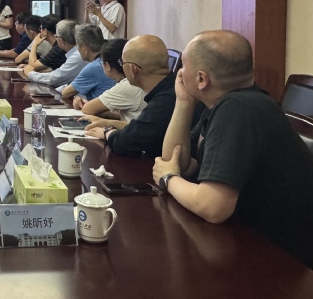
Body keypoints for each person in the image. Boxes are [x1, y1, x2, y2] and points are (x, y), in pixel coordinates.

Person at [153, 30, 313, 269]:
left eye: (183, 66)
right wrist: (184, 102)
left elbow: (214, 207)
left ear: (201, 79)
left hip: (283, 263)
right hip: (249, 243)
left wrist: (168, 179)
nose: (179, 73)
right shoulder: (228, 104)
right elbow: (177, 160)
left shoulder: (238, 110)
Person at [85, 35, 179, 157]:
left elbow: (126, 142)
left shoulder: (164, 101)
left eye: (122, 63)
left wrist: (107, 132)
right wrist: (107, 122)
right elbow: (141, 127)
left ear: (132, 69)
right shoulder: (171, 87)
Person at [78, 38, 146, 124]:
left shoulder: (127, 85)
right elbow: (118, 114)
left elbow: (87, 109)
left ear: (107, 65)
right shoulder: (140, 79)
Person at [59, 24, 116, 103]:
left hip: (100, 110)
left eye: (78, 47)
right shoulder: (109, 59)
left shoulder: (95, 66)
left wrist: (73, 93)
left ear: (84, 48)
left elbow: (65, 93)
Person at [26, 20, 87, 88]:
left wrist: (30, 74)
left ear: (61, 41)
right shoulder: (76, 52)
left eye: (56, 36)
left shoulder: (77, 56)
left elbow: (54, 79)